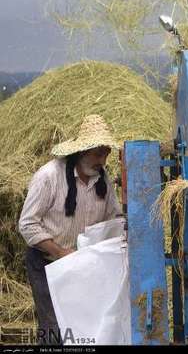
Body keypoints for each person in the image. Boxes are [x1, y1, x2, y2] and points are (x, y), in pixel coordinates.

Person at [18, 114, 123, 345]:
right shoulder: (49, 177)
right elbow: (27, 224)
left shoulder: (101, 179)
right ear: (81, 151)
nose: (103, 160)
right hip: (47, 262)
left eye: (106, 153)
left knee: (82, 325)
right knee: (54, 328)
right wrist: (59, 252)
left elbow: (114, 217)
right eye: (98, 154)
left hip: (84, 266)